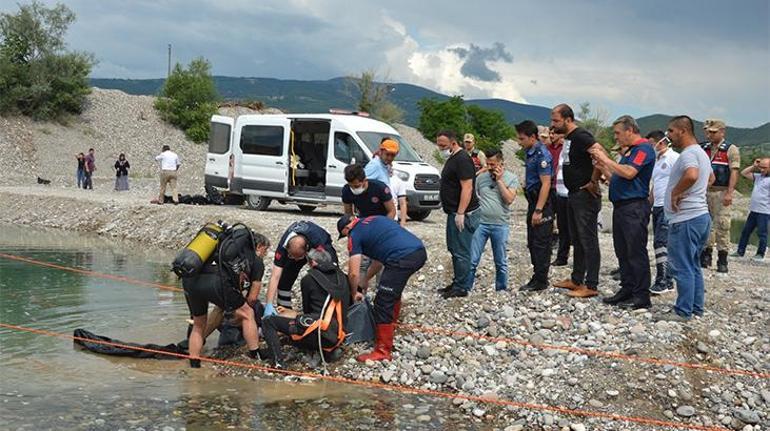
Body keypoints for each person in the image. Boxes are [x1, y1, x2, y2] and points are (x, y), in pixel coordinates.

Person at [337, 214, 427, 362]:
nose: (347, 238)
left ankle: (383, 350)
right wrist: (366, 279)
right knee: (392, 290)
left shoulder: (355, 234)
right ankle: (392, 326)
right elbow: (379, 259)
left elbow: (353, 273)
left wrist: (354, 292)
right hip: (418, 252)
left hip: (401, 257)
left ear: (347, 228)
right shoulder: (375, 219)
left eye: (345, 235)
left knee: (383, 301)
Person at [589, 116, 655, 310]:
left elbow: (629, 173)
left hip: (634, 207)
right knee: (623, 251)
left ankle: (641, 295)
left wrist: (606, 160)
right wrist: (604, 169)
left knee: (635, 251)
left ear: (630, 130)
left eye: (618, 133)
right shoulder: (630, 152)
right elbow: (620, 177)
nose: (616, 137)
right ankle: (627, 288)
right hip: (621, 206)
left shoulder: (644, 149)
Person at [182, 227, 267, 368]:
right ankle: (255, 355)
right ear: (259, 246)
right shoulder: (256, 261)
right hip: (216, 282)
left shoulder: (217, 249)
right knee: (248, 313)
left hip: (190, 279)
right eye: (265, 250)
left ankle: (194, 365)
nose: (265, 254)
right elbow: (252, 298)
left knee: (198, 324)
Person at [661, 116, 714, 322]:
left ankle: (683, 311)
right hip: (700, 216)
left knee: (681, 265)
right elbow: (710, 178)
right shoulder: (702, 153)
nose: (669, 136)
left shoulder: (689, 154)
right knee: (692, 265)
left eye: (671, 131)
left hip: (686, 218)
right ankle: (695, 308)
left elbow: (692, 175)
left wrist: (676, 192)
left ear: (682, 131)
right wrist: (694, 192)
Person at [261, 249, 350, 368]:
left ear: (313, 263)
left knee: (268, 322)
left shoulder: (309, 279)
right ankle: (327, 352)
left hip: (320, 333)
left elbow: (308, 312)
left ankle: (278, 362)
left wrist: (293, 315)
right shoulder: (343, 277)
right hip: (339, 333)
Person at [550, 104, 602, 298]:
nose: (553, 125)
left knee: (588, 239)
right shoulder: (570, 138)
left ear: (568, 119)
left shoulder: (581, 136)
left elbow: (598, 153)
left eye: (556, 120)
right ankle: (576, 279)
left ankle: (592, 284)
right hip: (573, 194)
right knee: (577, 239)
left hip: (584, 196)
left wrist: (593, 180)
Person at [435, 130, 481, 299]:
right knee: (454, 248)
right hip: (453, 211)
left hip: (464, 213)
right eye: (438, 145)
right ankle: (458, 281)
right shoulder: (452, 158)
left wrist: (461, 212)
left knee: (462, 250)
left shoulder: (462, 159)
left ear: (453, 144)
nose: (440, 148)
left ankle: (462, 287)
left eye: (443, 146)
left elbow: (467, 187)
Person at [468, 148, 518, 292]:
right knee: (472, 260)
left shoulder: (511, 178)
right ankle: (467, 288)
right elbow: (474, 197)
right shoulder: (481, 178)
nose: (490, 168)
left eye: (493, 164)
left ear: (501, 163)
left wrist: (499, 181)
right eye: (488, 164)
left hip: (500, 225)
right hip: (480, 224)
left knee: (500, 261)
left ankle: (501, 289)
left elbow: (509, 199)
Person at [264, 221, 338, 315]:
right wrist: (269, 304)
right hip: (299, 248)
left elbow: (332, 266)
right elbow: (275, 276)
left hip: (316, 247)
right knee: (284, 281)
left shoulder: (318, 240)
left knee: (321, 279)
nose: (295, 260)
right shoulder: (283, 247)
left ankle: (320, 310)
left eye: (298, 258)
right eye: (291, 256)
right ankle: (284, 311)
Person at [516, 121, 554, 291]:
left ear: (532, 137)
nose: (519, 141)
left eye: (522, 138)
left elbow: (546, 184)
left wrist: (539, 210)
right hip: (532, 200)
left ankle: (541, 280)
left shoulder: (542, 154)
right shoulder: (529, 152)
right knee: (532, 241)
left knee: (540, 242)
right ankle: (537, 276)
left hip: (542, 202)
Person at [700, 119, 740, 273]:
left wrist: (730, 193)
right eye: (707, 131)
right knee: (705, 224)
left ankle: (722, 258)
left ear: (722, 131)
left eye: (713, 132)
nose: (709, 134)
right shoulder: (703, 148)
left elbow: (734, 172)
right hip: (704, 191)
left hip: (721, 191)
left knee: (723, 225)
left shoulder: (730, 149)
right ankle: (706, 253)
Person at [648, 130, 680, 294]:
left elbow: (686, 177)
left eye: (652, 143)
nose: (650, 146)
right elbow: (657, 183)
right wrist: (649, 203)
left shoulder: (674, 158)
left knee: (662, 242)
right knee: (658, 242)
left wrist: (676, 199)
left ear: (660, 142)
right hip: (658, 206)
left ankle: (664, 280)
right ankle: (665, 279)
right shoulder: (657, 160)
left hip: (669, 206)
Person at [734, 158, 770, 260]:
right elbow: (744, 173)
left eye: (764, 168)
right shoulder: (758, 177)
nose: (762, 170)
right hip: (753, 211)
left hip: (764, 212)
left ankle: (760, 254)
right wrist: (754, 166)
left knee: (762, 234)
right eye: (761, 167)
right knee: (745, 232)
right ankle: (740, 252)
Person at [548, 129, 571, 266]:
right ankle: (562, 256)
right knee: (562, 226)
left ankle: (583, 262)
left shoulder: (569, 149)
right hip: (559, 191)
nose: (552, 136)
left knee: (572, 227)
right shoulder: (560, 152)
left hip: (570, 193)